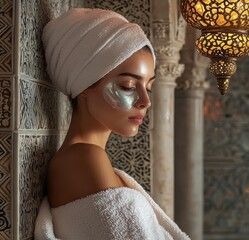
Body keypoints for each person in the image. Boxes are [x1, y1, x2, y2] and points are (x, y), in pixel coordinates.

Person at [34, 8, 189, 240]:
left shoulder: (91, 159)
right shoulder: (82, 159)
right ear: (84, 85)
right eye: (127, 86)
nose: (145, 101)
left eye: (149, 87)